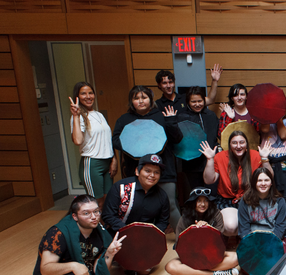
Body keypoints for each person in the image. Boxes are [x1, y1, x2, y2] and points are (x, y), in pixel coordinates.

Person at [111, 85, 183, 230]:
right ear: (131, 102)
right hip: (135, 170)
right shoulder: (124, 119)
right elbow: (115, 140)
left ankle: (184, 238)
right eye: (136, 98)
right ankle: (138, 237)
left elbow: (177, 139)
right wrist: (133, 145)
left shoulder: (161, 116)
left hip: (163, 170)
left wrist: (171, 122)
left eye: (144, 97)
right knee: (137, 205)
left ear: (150, 99)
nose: (140, 101)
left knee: (170, 204)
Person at [101, 154, 170, 275]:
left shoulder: (162, 196)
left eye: (156, 172)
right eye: (148, 171)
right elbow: (108, 215)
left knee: (146, 270)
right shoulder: (121, 188)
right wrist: (130, 232)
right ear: (138, 171)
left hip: (144, 238)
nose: (152, 175)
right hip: (117, 233)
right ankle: (129, 274)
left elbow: (163, 222)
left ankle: (126, 265)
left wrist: (151, 235)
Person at [200, 131, 273, 236]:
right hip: (228, 201)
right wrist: (210, 159)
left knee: (261, 225)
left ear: (246, 144)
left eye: (241, 142)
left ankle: (244, 237)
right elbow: (209, 180)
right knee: (230, 226)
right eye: (234, 143)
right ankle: (232, 236)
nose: (238, 146)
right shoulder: (220, 157)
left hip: (251, 200)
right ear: (229, 145)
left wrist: (265, 159)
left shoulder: (255, 155)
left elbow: (269, 178)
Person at [165, 187, 239, 275]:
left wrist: (208, 230)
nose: (203, 204)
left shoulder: (216, 214)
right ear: (193, 202)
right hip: (191, 256)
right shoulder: (185, 218)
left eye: (206, 201)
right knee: (170, 266)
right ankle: (216, 273)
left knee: (236, 257)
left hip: (213, 255)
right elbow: (180, 245)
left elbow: (220, 242)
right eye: (199, 201)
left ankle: (190, 274)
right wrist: (194, 231)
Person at [69, 82, 117, 209]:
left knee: (108, 201)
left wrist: (114, 159)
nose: (88, 96)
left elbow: (108, 139)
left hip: (107, 162)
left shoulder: (99, 114)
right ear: (77, 96)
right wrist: (75, 116)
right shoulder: (78, 117)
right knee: (96, 204)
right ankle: (96, 229)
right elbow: (78, 140)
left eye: (90, 93)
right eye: (83, 93)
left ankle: (107, 228)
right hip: (92, 164)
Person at [170, 86, 219, 195]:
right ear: (188, 102)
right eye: (193, 101)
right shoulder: (182, 117)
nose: (197, 104)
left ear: (204, 100)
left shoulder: (211, 115)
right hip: (191, 164)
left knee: (212, 193)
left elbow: (216, 135)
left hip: (210, 162)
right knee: (196, 193)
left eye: (200, 101)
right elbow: (176, 139)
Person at [238, 167, 286, 244]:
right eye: (259, 180)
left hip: (272, 240)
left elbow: (280, 227)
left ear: (271, 183)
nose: (263, 183)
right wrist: (251, 242)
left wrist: (270, 242)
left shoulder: (280, 201)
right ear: (254, 183)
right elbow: (244, 228)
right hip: (252, 240)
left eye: (266, 180)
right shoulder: (245, 200)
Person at [155, 66, 221, 113]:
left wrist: (214, 81)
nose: (168, 86)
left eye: (170, 82)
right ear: (159, 85)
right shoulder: (158, 104)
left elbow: (210, 100)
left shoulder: (185, 98)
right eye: (164, 83)